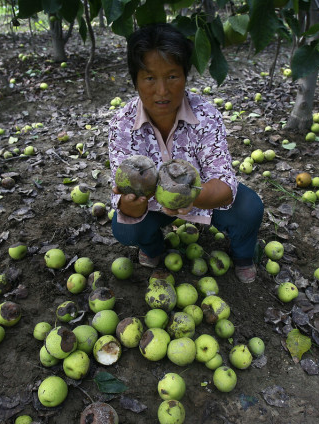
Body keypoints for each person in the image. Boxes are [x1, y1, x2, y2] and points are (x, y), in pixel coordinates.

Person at [107, 23, 264, 284]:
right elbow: (124, 189)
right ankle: (153, 248)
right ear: (135, 81)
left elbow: (223, 180)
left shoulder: (206, 115)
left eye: (172, 76)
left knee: (248, 208)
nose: (162, 90)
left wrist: (192, 197)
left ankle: (243, 255)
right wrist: (130, 205)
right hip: (154, 204)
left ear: (185, 76)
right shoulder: (122, 124)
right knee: (125, 228)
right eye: (149, 78)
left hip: (201, 195)